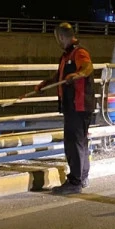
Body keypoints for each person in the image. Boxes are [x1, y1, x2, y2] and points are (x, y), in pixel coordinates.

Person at [34, 23, 95, 193]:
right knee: (80, 142)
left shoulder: (79, 52)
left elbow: (88, 67)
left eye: (56, 38)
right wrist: (46, 84)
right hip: (73, 105)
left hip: (79, 104)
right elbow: (59, 76)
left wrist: (77, 74)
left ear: (61, 36)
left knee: (73, 143)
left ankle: (75, 182)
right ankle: (82, 178)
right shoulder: (66, 55)